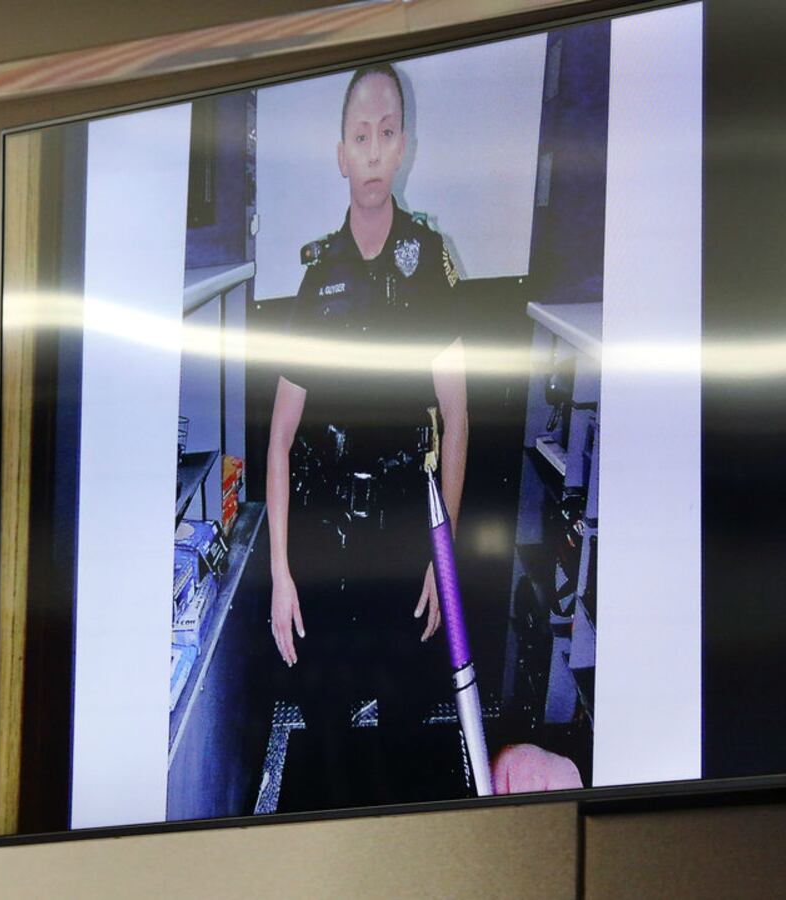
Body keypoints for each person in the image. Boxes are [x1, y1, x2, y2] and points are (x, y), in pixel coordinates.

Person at [266, 63, 469, 806]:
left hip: (404, 539)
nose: (375, 149)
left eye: (388, 133)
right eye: (361, 135)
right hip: (324, 539)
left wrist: (440, 561)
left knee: (406, 730)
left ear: (404, 146)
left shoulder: (432, 266)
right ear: (341, 154)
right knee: (325, 729)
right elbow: (281, 441)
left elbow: (458, 415)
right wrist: (282, 575)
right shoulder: (318, 281)